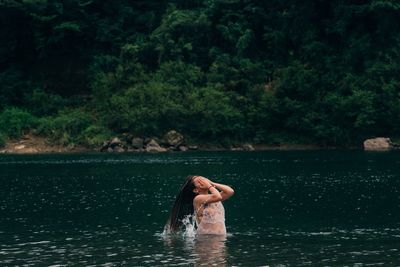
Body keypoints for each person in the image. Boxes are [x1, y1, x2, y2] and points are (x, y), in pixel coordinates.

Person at [165, 175, 234, 235]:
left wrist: (211, 183)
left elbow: (230, 191)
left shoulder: (213, 197)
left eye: (202, 179)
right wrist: (210, 186)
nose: (203, 181)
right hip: (205, 239)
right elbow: (217, 196)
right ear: (196, 190)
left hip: (220, 238)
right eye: (199, 181)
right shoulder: (198, 199)